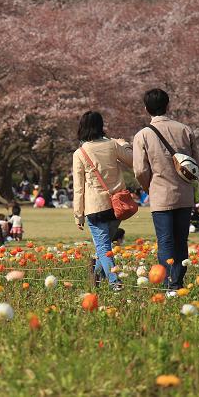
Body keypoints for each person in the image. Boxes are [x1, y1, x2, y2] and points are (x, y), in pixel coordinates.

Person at [133, 89, 197, 294]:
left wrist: (147, 186)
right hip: (185, 194)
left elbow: (140, 170)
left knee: (165, 240)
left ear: (146, 108)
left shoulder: (143, 135)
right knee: (181, 239)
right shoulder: (184, 129)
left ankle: (169, 283)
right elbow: (196, 163)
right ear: (168, 105)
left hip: (160, 194)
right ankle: (178, 280)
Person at [74, 111, 133, 292]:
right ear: (101, 126)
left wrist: (78, 215)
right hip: (117, 205)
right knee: (104, 246)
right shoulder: (113, 145)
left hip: (95, 207)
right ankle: (96, 275)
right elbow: (133, 161)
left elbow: (79, 188)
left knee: (103, 246)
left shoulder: (80, 153)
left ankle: (115, 283)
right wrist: (125, 144)